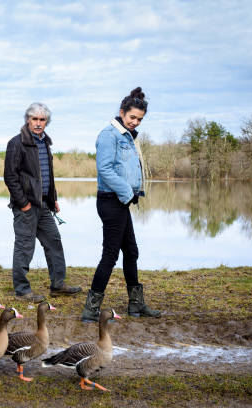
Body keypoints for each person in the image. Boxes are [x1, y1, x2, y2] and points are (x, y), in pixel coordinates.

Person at [81, 87, 161, 322]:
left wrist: (133, 193)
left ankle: (136, 305)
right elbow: (104, 170)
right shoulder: (109, 135)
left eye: (139, 119)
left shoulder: (127, 136)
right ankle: (91, 309)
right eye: (132, 117)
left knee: (132, 252)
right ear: (122, 112)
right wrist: (127, 192)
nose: (135, 122)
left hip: (121, 202)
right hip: (111, 201)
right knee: (110, 255)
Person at [3, 102, 82, 302]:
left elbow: (47, 175)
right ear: (28, 120)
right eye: (35, 119)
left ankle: (58, 285)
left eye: (42, 120)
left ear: (46, 122)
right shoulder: (16, 143)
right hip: (26, 208)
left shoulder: (46, 143)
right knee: (24, 247)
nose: (38, 123)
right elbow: (10, 177)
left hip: (44, 206)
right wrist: (23, 204)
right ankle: (22, 291)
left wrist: (52, 198)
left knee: (54, 242)